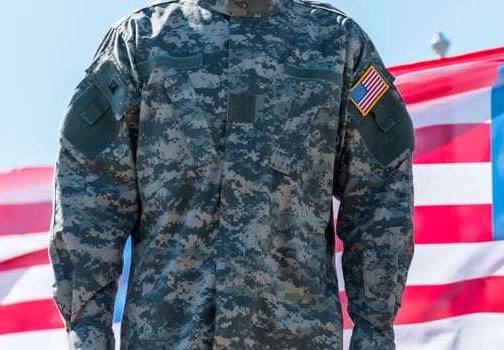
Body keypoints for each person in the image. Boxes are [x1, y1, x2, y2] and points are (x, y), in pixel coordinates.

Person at [49, 0, 415, 348]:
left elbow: (381, 194)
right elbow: (89, 199)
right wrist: (87, 335)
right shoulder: (141, 44)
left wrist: (375, 333)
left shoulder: (338, 44)